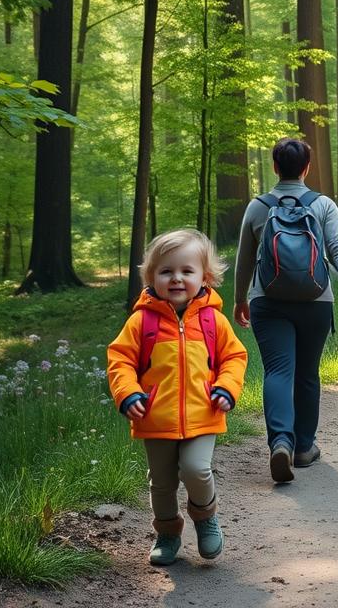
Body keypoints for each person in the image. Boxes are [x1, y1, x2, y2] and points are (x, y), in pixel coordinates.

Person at [107, 229, 248, 566]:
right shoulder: (142, 322)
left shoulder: (214, 320)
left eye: (187, 271)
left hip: (204, 414)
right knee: (162, 483)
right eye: (166, 271)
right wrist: (127, 393)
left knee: (197, 470)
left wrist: (227, 387)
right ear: (151, 276)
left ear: (205, 277)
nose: (176, 278)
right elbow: (120, 360)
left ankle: (205, 517)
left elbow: (234, 357)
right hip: (154, 417)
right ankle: (168, 533)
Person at [234, 137, 338, 484]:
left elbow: (245, 259)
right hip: (315, 301)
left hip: (268, 300)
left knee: (278, 371)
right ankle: (304, 447)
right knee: (307, 373)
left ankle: (280, 442)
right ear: (307, 168)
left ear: (275, 167)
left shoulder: (258, 206)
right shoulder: (323, 205)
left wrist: (239, 298)